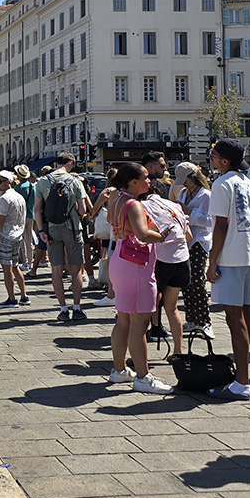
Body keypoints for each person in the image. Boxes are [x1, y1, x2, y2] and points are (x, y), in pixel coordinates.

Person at [206, 139, 250, 401]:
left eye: (214, 155)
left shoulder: (222, 184)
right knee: (249, 316)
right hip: (249, 254)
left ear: (225, 160)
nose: (211, 158)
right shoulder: (247, 182)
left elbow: (220, 225)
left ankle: (241, 381)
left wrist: (212, 262)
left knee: (234, 319)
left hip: (231, 256)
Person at [105, 162, 173, 394]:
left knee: (123, 319)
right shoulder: (134, 204)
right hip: (135, 265)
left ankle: (119, 369)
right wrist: (162, 234)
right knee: (139, 324)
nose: (149, 181)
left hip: (120, 259)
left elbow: (112, 222)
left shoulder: (115, 197)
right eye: (145, 178)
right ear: (133, 182)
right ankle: (143, 377)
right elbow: (144, 234)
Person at [35, 153, 89, 320]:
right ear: (71, 163)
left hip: (51, 229)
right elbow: (82, 210)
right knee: (75, 270)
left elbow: (37, 209)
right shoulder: (75, 181)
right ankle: (77, 308)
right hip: (72, 228)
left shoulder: (43, 181)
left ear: (56, 163)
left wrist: (41, 231)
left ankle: (63, 309)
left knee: (56, 269)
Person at [141, 184, 192, 355]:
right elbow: (189, 236)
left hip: (161, 260)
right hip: (182, 259)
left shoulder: (143, 207)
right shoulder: (175, 206)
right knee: (172, 308)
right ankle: (178, 351)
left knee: (145, 309)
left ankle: (142, 356)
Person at [176, 165, 214, 339]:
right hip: (185, 240)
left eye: (184, 179)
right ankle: (192, 318)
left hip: (199, 241)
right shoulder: (183, 193)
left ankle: (205, 321)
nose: (183, 183)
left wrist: (188, 212)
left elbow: (209, 221)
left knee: (198, 280)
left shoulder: (206, 195)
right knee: (186, 280)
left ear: (192, 177)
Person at [0, 170, 30, 307]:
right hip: (17, 235)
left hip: (5, 236)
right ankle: (24, 296)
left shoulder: (4, 199)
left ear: (8, 182)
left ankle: (12, 299)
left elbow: (0, 221)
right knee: (15, 266)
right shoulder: (19, 197)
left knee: (7, 270)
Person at [87, 167, 119, 305]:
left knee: (107, 255)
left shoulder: (108, 191)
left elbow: (95, 207)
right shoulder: (124, 191)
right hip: (123, 228)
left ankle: (111, 291)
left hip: (111, 229)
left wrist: (90, 217)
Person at [12, 165, 37, 272]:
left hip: (20, 216)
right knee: (29, 240)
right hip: (31, 215)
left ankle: (25, 262)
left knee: (21, 239)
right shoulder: (33, 187)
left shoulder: (17, 188)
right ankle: (31, 262)